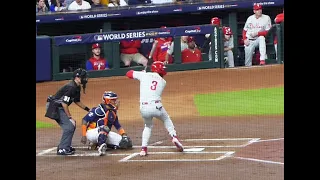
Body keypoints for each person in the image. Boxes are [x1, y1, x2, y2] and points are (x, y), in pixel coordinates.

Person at [125, 61, 184, 156]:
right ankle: (174, 137)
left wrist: (140, 73)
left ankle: (143, 149)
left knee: (148, 126)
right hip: (157, 107)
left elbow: (128, 74)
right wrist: (143, 74)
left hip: (144, 108)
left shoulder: (144, 75)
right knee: (166, 119)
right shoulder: (163, 81)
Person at [45, 68, 91, 155]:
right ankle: (62, 149)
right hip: (53, 107)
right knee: (69, 126)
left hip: (58, 106)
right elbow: (64, 104)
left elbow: (76, 101)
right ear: (77, 78)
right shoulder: (71, 87)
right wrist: (70, 117)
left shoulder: (76, 87)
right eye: (83, 77)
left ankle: (65, 145)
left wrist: (88, 110)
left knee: (70, 126)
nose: (85, 79)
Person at [81, 91, 133, 156]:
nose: (116, 102)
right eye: (113, 100)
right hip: (92, 133)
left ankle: (99, 144)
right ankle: (100, 147)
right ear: (108, 101)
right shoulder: (98, 110)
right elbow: (84, 120)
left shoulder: (113, 112)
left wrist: (124, 135)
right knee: (104, 128)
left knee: (125, 143)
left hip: (105, 133)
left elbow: (118, 126)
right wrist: (83, 135)